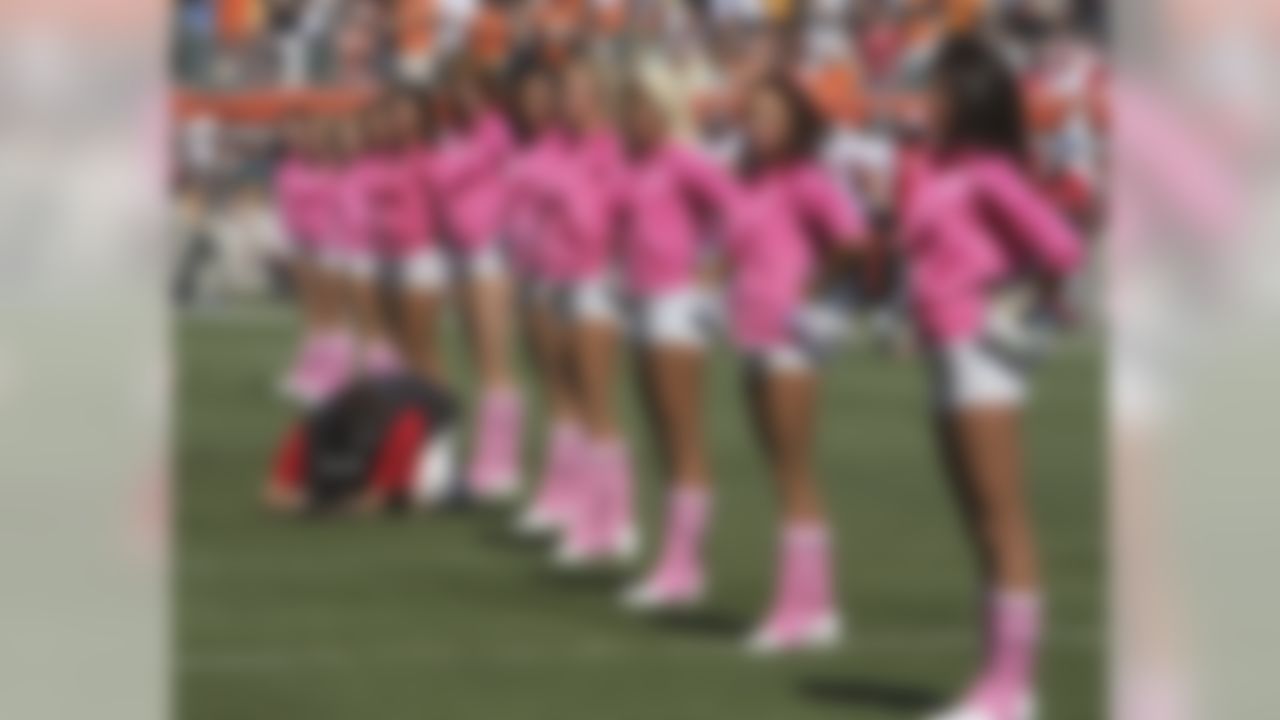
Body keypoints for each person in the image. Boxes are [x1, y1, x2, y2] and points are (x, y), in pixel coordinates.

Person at [904, 36, 1084, 720]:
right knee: (981, 525)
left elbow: (1061, 246)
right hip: (945, 351)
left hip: (983, 353)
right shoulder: (940, 165)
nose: (930, 101)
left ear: (971, 99)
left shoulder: (989, 172)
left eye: (942, 91)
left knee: (1003, 521)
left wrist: (1015, 298)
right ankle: (997, 682)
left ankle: (1012, 690)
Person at [722, 75, 869, 654]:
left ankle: (794, 610)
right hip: (753, 331)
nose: (758, 125)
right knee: (783, 472)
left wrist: (809, 290)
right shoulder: (750, 176)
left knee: (793, 474)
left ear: (796, 123)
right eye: (752, 114)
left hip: (789, 336)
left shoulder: (808, 177)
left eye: (770, 116)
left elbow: (852, 239)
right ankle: (818, 607)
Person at [610, 75, 732, 610]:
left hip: (676, 299)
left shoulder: (684, 159)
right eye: (627, 109)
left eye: (640, 109)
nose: (631, 120)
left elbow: (737, 211)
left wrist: (711, 270)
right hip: (639, 297)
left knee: (681, 431)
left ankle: (684, 564)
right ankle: (677, 557)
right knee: (662, 429)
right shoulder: (634, 164)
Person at [537, 59, 637, 566]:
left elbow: (614, 215)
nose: (566, 101)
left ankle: (610, 519)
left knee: (598, 402)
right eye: (563, 91)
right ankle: (599, 513)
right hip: (563, 279)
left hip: (598, 279)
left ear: (598, 96)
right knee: (576, 396)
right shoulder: (566, 146)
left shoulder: (609, 148)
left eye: (577, 90)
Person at [435, 61, 525, 504]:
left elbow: (450, 178)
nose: (467, 98)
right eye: (460, 89)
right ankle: (488, 458)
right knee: (479, 358)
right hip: (462, 252)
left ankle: (501, 462)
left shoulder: (494, 133)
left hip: (490, 250)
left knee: (493, 359)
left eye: (474, 90)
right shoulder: (457, 134)